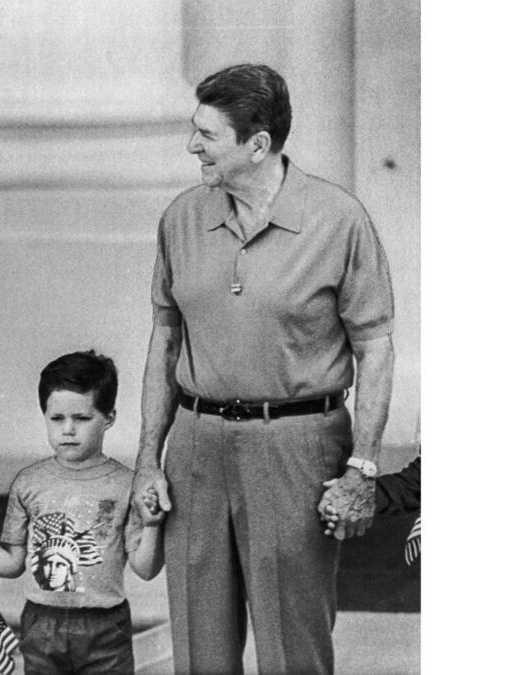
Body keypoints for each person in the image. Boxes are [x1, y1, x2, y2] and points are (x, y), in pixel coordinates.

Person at [130, 63, 395, 674]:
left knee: (293, 649)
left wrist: (362, 468)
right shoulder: (181, 218)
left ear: (258, 145)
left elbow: (375, 349)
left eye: (207, 135)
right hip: (194, 448)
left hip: (296, 449)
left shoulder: (338, 220)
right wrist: (149, 455)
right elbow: (164, 340)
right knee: (198, 649)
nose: (191, 145)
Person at [0, 351, 163, 675]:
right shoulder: (28, 483)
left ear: (109, 417)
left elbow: (145, 567)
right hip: (41, 623)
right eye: (57, 419)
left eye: (82, 419)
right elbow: (13, 562)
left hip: (105, 625)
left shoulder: (127, 484)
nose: (68, 429)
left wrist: (153, 524)